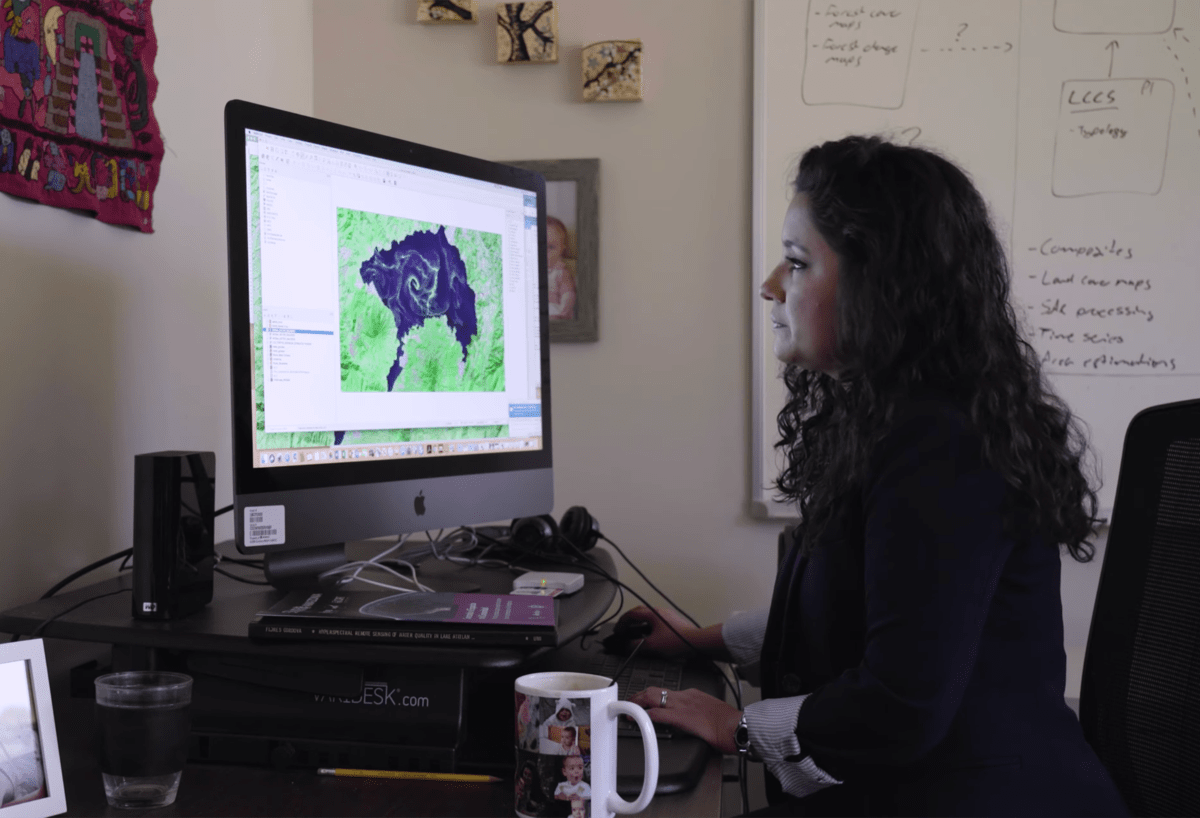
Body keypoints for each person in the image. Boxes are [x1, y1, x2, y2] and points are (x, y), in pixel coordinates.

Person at [624, 135, 1129, 816]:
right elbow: (872, 604)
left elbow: (902, 702)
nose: (771, 285)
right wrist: (703, 637)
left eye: (798, 263)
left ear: (884, 286)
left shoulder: (943, 443)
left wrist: (736, 727)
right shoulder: (893, 418)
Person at [546, 216, 577, 321]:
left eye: (550, 247)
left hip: (553, 312)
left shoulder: (560, 272)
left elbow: (568, 295)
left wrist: (562, 313)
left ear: (562, 250)